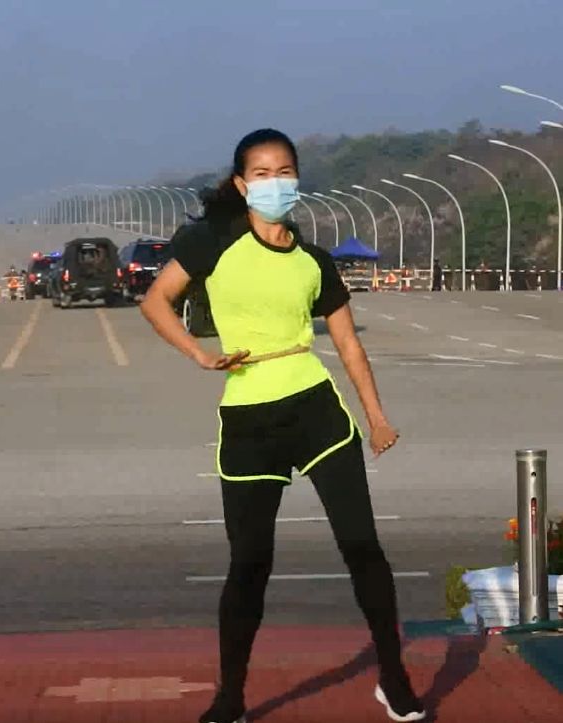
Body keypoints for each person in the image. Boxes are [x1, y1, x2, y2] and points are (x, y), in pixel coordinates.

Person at [141, 128, 425, 723]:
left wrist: (376, 417)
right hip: (249, 419)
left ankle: (394, 677)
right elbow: (156, 301)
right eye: (263, 174)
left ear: (298, 179)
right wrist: (198, 354)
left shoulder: (313, 261)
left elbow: (348, 345)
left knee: (362, 548)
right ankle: (231, 697)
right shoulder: (211, 240)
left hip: (317, 410)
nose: (276, 183)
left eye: (285, 171)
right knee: (249, 563)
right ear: (243, 184)